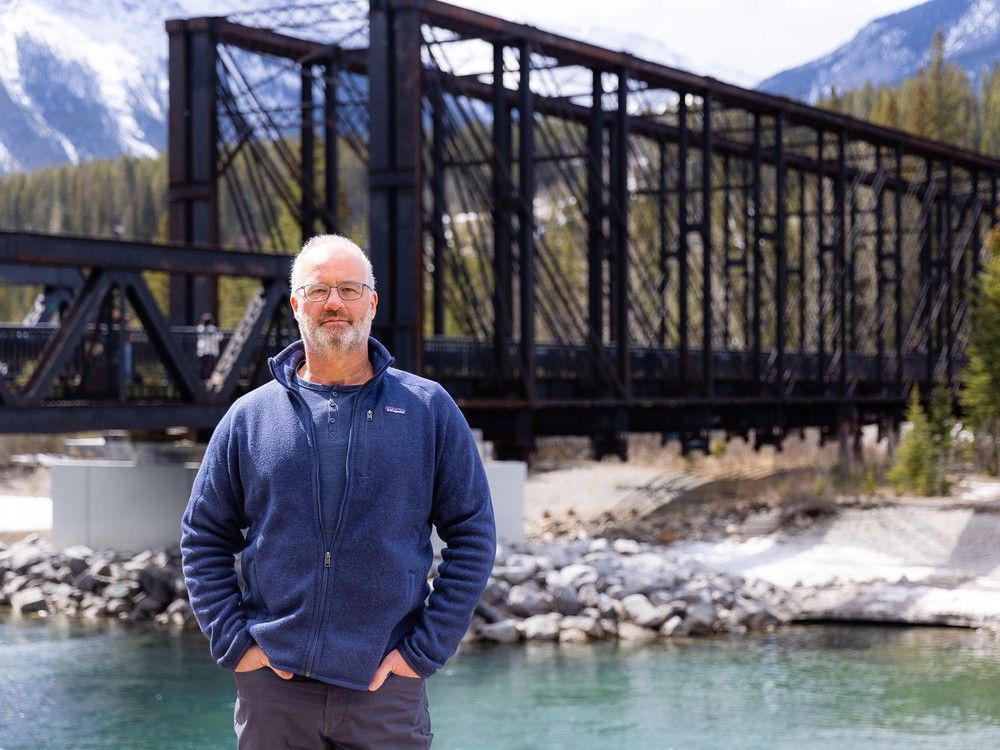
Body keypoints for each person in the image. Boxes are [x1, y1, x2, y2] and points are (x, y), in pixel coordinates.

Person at [181, 234, 496, 749]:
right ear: (295, 304)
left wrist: (422, 653)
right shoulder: (249, 417)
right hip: (275, 695)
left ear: (371, 303)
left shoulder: (428, 409)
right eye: (319, 289)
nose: (334, 303)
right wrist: (235, 644)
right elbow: (203, 535)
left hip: (385, 692)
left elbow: (475, 534)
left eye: (349, 289)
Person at [195, 312, 223, 381]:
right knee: (203, 366)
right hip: (204, 350)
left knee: (211, 366)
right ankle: (202, 378)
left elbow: (220, 337)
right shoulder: (201, 328)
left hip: (211, 351)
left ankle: (209, 378)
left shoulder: (212, 329)